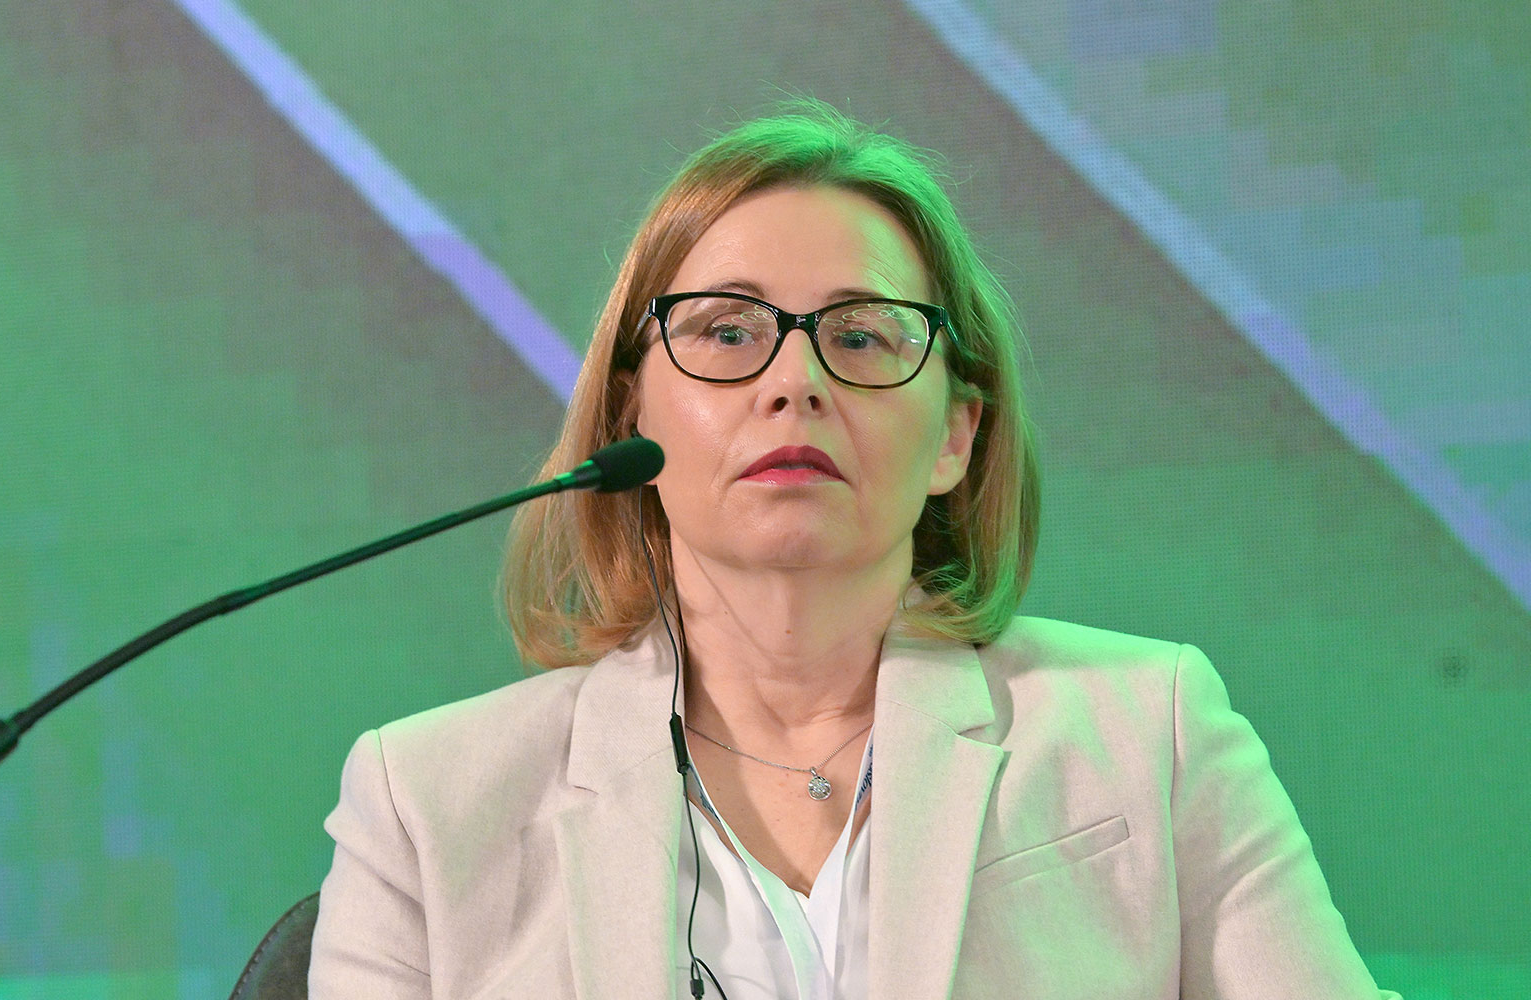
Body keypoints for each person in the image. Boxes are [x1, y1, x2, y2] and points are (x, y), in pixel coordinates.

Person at [307, 103, 1398, 999]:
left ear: (955, 437)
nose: (795, 382)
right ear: (630, 413)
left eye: (863, 336)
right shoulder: (428, 801)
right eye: (727, 331)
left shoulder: (1148, 733)